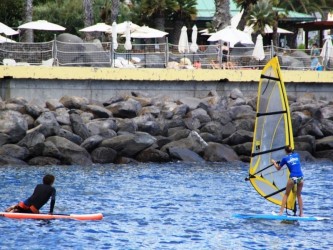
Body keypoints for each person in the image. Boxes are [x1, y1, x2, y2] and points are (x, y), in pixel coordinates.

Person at [271, 146, 304, 216]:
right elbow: (293, 159)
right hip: (301, 177)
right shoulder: (297, 155)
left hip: (293, 177)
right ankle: (301, 213)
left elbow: (278, 168)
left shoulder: (285, 158)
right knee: (299, 195)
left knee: (286, 194)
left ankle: (280, 213)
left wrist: (274, 162)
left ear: (285, 151)